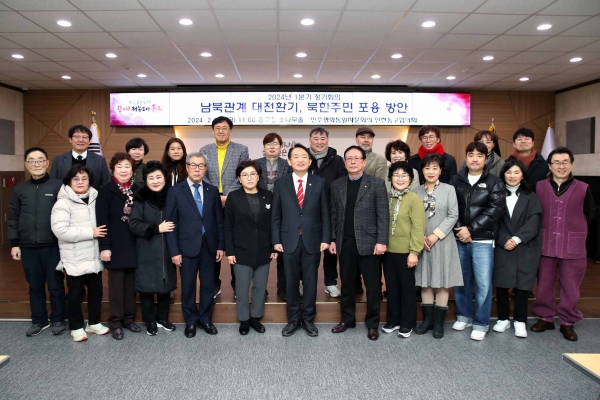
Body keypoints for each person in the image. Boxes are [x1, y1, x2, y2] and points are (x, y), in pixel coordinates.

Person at [531, 147, 595, 341]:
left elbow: (589, 214)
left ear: (571, 164)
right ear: (549, 166)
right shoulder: (539, 186)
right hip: (546, 244)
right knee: (544, 285)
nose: (561, 166)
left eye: (565, 162)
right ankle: (545, 318)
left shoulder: (583, 188)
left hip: (573, 246)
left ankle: (568, 322)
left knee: (571, 287)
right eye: (556, 162)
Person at [329, 145, 389, 341]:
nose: (353, 161)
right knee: (346, 285)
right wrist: (332, 239)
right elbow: (333, 215)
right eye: (349, 158)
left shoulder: (376, 184)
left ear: (364, 162)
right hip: (345, 242)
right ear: (344, 162)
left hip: (370, 243)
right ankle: (347, 319)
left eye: (357, 158)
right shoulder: (336, 185)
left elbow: (383, 215)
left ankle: (372, 324)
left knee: (372, 287)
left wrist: (381, 241)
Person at [272, 143, 330, 337]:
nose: (300, 160)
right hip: (288, 239)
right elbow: (276, 215)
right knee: (290, 282)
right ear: (289, 161)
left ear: (310, 161)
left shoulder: (320, 182)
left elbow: (325, 213)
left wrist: (326, 238)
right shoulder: (281, 183)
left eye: (304, 156)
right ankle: (293, 319)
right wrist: (276, 239)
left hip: (313, 239)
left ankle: (308, 319)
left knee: (311, 282)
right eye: (296, 156)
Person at [450, 142, 505, 341]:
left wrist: (471, 230)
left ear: (486, 159)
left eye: (479, 155)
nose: (474, 159)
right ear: (466, 157)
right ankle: (463, 315)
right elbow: (450, 207)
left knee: (483, 283)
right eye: (471, 155)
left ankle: (481, 323)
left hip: (483, 240)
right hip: (459, 238)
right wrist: (460, 230)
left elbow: (494, 211)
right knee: (461, 279)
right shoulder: (455, 180)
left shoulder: (495, 182)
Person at [166, 152, 224, 338]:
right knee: (188, 287)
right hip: (186, 247)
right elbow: (171, 223)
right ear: (187, 167)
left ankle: (206, 319)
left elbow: (219, 221)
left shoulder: (212, 190)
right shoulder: (175, 191)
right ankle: (190, 321)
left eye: (201, 165)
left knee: (208, 286)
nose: (197, 169)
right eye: (193, 165)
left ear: (205, 169)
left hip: (209, 246)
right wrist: (174, 251)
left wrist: (220, 246)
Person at [9, 147, 65, 337]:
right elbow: (14, 217)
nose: (37, 164)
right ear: (26, 164)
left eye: (40, 160)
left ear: (47, 163)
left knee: (55, 284)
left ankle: (58, 319)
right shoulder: (20, 189)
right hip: (28, 246)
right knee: (35, 285)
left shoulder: (59, 186)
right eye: (32, 161)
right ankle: (39, 320)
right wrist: (14, 243)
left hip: (53, 245)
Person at [51, 165, 109, 342]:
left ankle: (94, 323)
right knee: (75, 295)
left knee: (96, 292)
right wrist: (91, 232)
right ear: (69, 181)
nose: (81, 182)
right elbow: (60, 230)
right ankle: (76, 327)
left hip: (94, 256)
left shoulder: (96, 197)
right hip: (74, 257)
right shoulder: (63, 203)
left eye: (84, 178)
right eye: (76, 179)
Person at [200, 116, 250, 298]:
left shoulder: (241, 149)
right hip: (211, 201)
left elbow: (243, 174)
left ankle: (238, 285)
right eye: (218, 128)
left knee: (235, 242)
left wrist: (227, 196)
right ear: (213, 130)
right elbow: (202, 174)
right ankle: (214, 284)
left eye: (225, 128)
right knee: (212, 243)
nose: (221, 131)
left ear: (230, 130)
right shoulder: (204, 150)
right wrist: (216, 195)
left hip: (234, 200)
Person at [414, 154, 462, 339]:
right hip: (422, 242)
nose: (431, 171)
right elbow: (412, 217)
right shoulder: (416, 192)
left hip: (443, 241)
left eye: (435, 168)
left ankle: (439, 323)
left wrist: (435, 235)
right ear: (422, 170)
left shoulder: (449, 189)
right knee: (425, 280)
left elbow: (453, 215)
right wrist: (421, 237)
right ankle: (427, 320)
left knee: (442, 281)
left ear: (441, 170)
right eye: (427, 168)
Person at [225, 160, 276, 335]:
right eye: (245, 175)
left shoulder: (268, 196)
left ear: (259, 176)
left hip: (264, 248)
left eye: (253, 174)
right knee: (242, 287)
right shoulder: (233, 197)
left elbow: (273, 223)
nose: (249, 178)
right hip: (240, 249)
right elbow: (228, 226)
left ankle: (255, 317)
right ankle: (244, 319)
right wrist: (229, 251)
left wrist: (273, 247)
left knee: (260, 286)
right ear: (239, 178)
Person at [492, 160, 542, 339]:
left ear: (522, 175)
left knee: (523, 285)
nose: (512, 176)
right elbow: (492, 220)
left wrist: (517, 238)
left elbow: (534, 221)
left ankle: (520, 320)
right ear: (503, 174)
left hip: (524, 245)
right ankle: (503, 319)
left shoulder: (531, 197)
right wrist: (504, 239)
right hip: (502, 245)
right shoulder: (496, 195)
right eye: (509, 172)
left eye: (516, 172)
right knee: (502, 284)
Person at [129, 161, 177, 336]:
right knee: (147, 286)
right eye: (151, 178)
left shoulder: (172, 195)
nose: (155, 181)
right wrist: (157, 228)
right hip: (147, 248)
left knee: (165, 284)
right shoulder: (140, 198)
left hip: (168, 248)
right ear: (146, 180)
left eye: (158, 177)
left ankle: (163, 318)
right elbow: (134, 224)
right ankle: (149, 320)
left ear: (165, 178)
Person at [96, 152, 140, 340]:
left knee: (131, 286)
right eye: (119, 166)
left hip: (134, 244)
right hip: (114, 246)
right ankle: (115, 322)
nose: (123, 170)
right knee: (115, 287)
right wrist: (104, 247)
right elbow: (102, 221)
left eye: (127, 166)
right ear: (113, 169)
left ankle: (129, 319)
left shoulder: (138, 190)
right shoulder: (105, 191)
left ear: (133, 169)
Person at [383, 161, 425, 338]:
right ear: (390, 178)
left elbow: (418, 227)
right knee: (392, 288)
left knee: (407, 289)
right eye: (396, 175)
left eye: (404, 175)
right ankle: (393, 320)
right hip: (388, 251)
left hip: (406, 252)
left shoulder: (414, 198)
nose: (400, 179)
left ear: (411, 178)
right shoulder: (387, 197)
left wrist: (414, 252)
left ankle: (407, 323)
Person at [307, 126, 347, 298]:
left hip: (331, 211)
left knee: (331, 249)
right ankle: (305, 283)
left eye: (323, 138)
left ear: (328, 141)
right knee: (309, 251)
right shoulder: (304, 158)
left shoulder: (337, 160)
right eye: (316, 138)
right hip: (308, 213)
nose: (319, 142)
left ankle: (331, 283)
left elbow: (342, 184)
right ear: (310, 141)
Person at [255, 132, 292, 300]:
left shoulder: (287, 165)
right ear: (264, 147)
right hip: (260, 212)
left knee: (283, 253)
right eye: (268, 143)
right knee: (261, 253)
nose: (272, 146)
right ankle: (260, 289)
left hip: (283, 212)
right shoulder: (255, 164)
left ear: (281, 147)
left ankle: (283, 288)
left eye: (275, 143)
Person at [50, 125, 110, 190]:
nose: (81, 140)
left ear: (89, 141)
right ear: (70, 139)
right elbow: (52, 184)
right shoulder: (59, 160)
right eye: (77, 136)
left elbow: (106, 184)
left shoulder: (100, 160)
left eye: (85, 137)